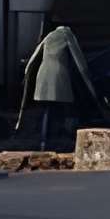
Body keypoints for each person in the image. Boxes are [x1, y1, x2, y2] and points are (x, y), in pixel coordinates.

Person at [24, 23, 93, 151]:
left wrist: (27, 72)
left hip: (43, 75)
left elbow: (34, 57)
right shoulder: (67, 35)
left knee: (47, 108)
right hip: (58, 74)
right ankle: (63, 139)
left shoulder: (49, 36)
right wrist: (86, 74)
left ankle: (43, 140)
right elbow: (78, 57)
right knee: (65, 107)